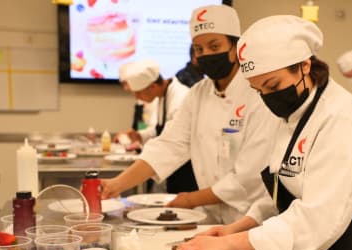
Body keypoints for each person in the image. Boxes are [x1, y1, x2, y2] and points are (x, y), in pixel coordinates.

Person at [173, 16, 352, 250]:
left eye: (273, 86)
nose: (268, 97)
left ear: (304, 65)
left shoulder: (341, 118)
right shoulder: (292, 115)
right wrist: (237, 227)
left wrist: (229, 244)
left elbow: (318, 218)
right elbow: (281, 190)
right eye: (258, 90)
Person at [101, 5, 277, 225]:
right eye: (199, 49)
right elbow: (169, 145)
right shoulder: (198, 94)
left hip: (253, 220)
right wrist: (115, 185)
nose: (205, 55)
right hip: (211, 217)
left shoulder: (258, 92)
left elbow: (249, 176)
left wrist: (192, 198)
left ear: (235, 47)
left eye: (214, 46)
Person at [117, 59, 198, 194]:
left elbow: (173, 142)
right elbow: (159, 129)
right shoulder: (163, 95)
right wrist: (140, 136)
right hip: (175, 169)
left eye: (138, 93)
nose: (136, 97)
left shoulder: (179, 99)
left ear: (152, 86)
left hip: (187, 170)